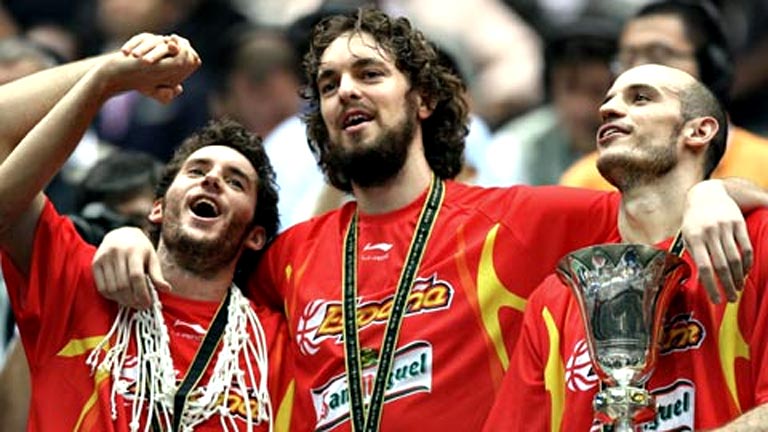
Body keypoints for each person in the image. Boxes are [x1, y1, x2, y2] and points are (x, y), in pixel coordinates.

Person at [93, 9, 764, 431]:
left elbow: (656, 204)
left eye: (368, 73)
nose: (345, 90)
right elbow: (193, 283)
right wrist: (130, 238)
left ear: (422, 100)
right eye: (328, 84)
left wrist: (713, 193)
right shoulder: (288, 255)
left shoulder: (518, 219)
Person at [0, 34, 289, 430]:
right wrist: (111, 74)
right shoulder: (79, 281)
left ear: (255, 235)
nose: (211, 181)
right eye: (196, 171)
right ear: (158, 208)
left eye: (235, 182)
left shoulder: (275, 345)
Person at [485, 64, 768, 431]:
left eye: (641, 98)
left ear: (699, 131)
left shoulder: (754, 241)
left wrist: (717, 190)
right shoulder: (556, 299)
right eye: (608, 101)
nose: (608, 109)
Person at [560, 0, 768, 190]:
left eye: (659, 55)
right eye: (627, 59)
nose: (638, 71)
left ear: (711, 69)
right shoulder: (586, 180)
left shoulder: (763, 165)